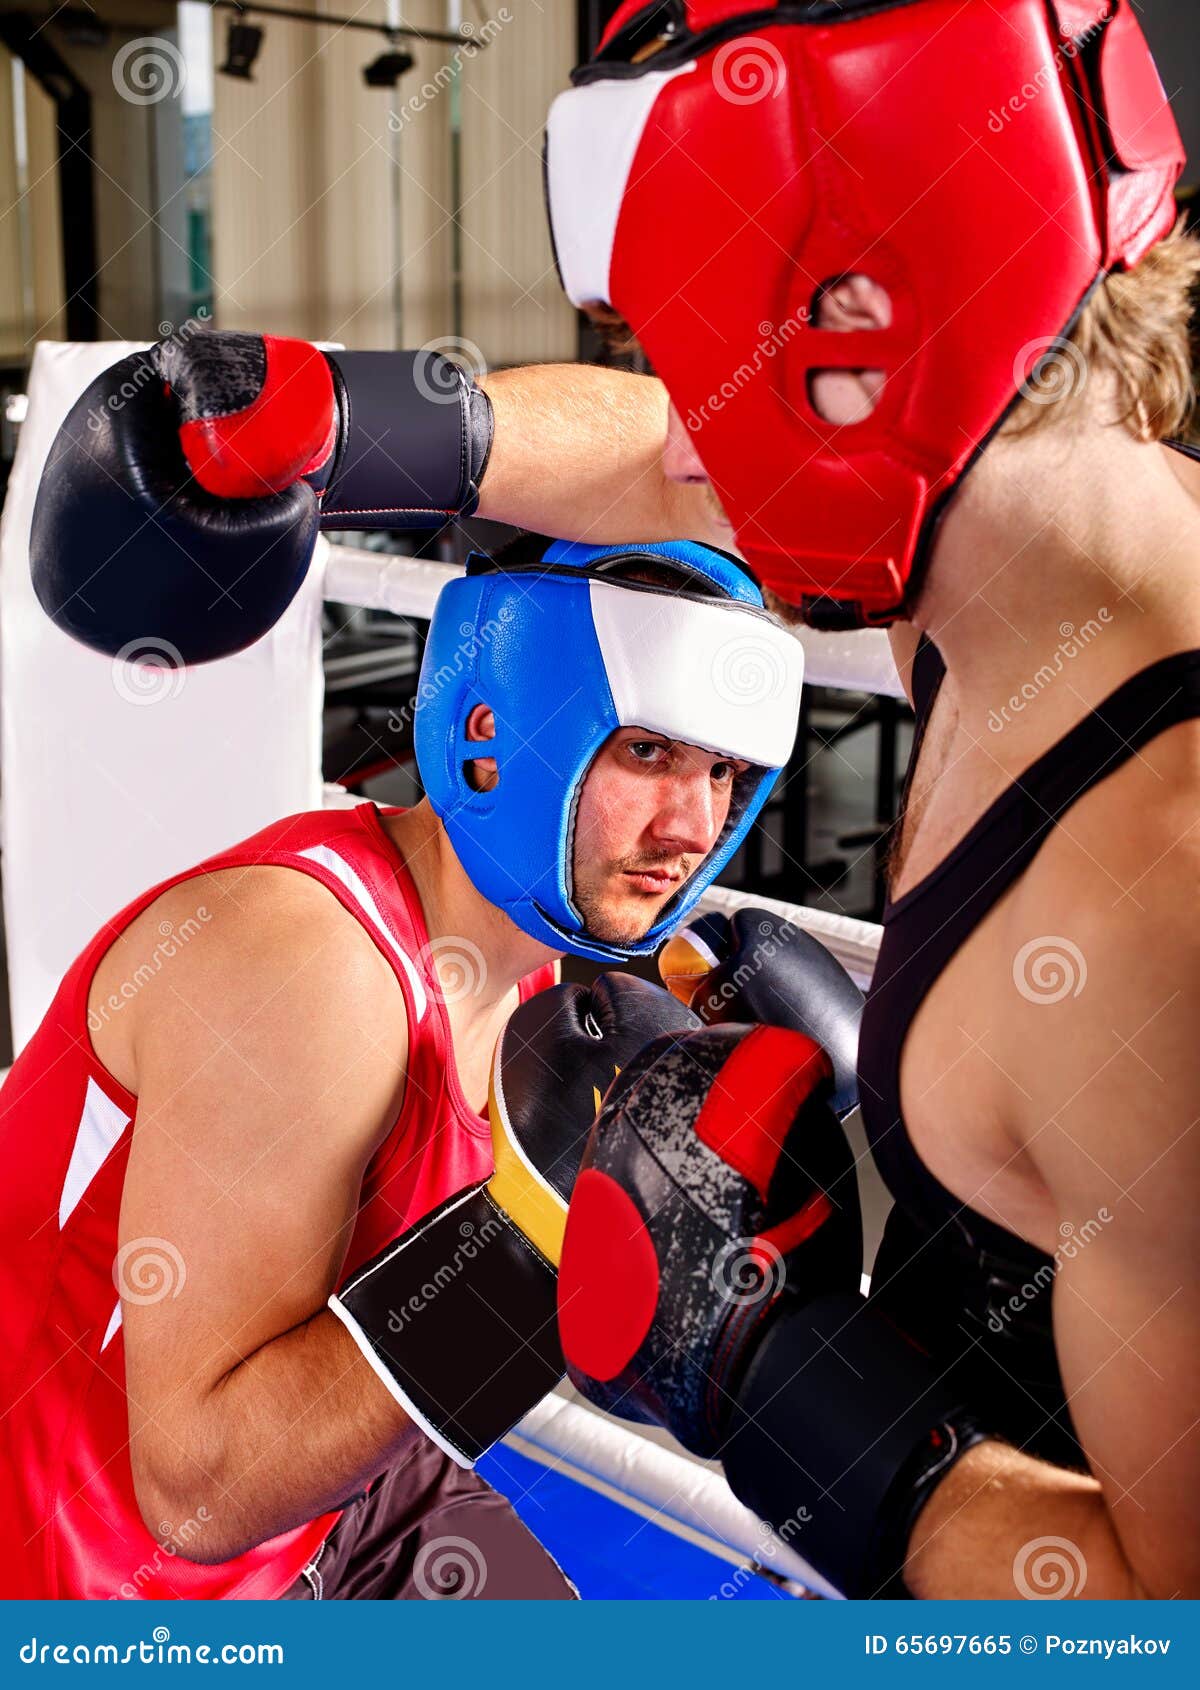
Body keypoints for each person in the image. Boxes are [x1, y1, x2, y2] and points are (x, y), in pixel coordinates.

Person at [26, 0, 1200, 1602]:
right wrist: (353, 425)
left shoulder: (1146, 887)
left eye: (708, 342)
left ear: (855, 329)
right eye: (648, 749)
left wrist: (792, 1378)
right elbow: (195, 1484)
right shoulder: (1049, 548)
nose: (691, 416)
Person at [0, 534, 804, 1599]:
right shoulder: (308, 969)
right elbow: (196, 1494)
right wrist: (540, 1241)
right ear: (491, 732)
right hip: (90, 1565)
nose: (693, 828)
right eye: (648, 753)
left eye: (725, 773)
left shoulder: (544, 970)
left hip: (335, 1494)